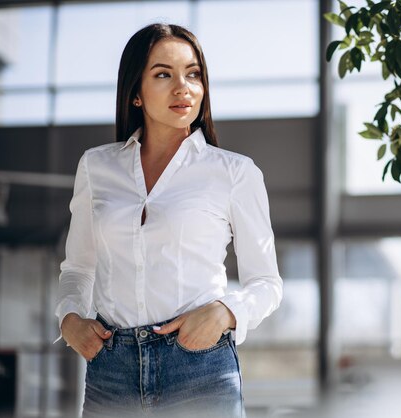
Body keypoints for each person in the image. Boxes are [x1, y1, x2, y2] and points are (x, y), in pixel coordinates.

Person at [54, 23, 283, 418]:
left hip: (200, 368)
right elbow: (78, 267)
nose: (184, 87)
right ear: (136, 93)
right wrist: (69, 319)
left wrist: (226, 313)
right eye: (164, 74)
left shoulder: (234, 173)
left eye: (193, 74)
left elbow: (266, 283)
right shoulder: (96, 166)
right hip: (111, 369)